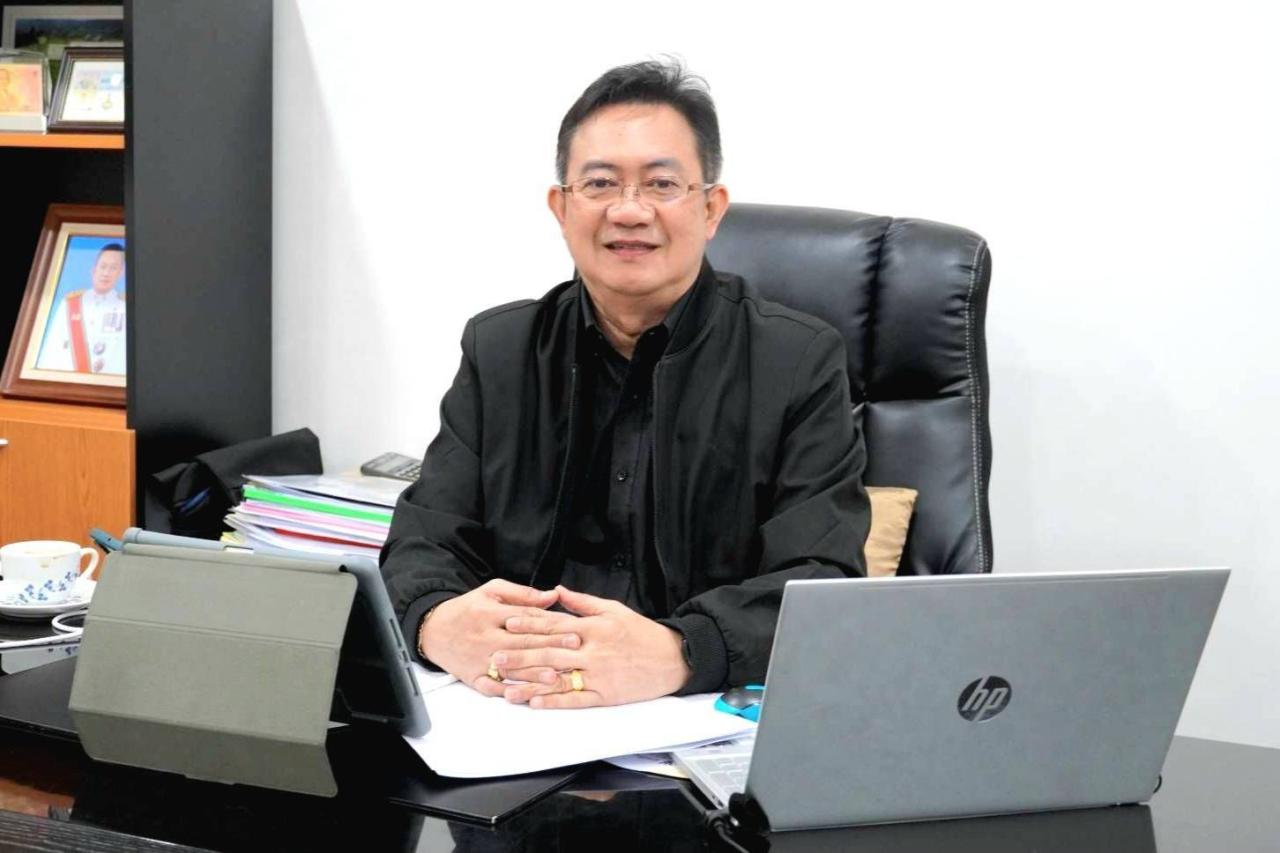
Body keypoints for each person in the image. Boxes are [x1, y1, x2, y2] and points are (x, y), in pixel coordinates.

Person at [381, 60, 869, 709]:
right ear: (562, 208)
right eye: (600, 183)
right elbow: (423, 540)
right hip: (515, 716)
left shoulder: (797, 360)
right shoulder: (499, 351)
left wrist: (682, 650)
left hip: (694, 717)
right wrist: (436, 622)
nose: (630, 210)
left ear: (711, 208)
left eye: (661, 183)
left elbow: (821, 578)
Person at [37, 242, 126, 375]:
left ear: (121, 273)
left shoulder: (125, 307)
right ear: (94, 270)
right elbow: (51, 350)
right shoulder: (69, 304)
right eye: (103, 266)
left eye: (113, 268)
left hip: (107, 382)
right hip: (68, 381)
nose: (106, 273)